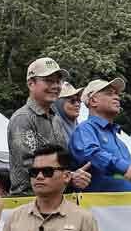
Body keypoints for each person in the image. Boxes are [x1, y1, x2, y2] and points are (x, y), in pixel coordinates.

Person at [7, 57, 91, 195]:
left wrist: (73, 175)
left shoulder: (55, 118)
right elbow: (29, 168)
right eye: (48, 80)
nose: (55, 86)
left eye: (58, 81)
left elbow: (61, 162)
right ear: (31, 84)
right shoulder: (22, 119)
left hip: (55, 200)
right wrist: (70, 178)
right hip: (29, 201)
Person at [69, 78, 131, 192]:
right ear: (93, 101)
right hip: (97, 208)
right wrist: (124, 168)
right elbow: (91, 153)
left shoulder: (121, 143)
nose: (117, 97)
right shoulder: (85, 129)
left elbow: (123, 176)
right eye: (109, 93)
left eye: (116, 94)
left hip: (123, 206)